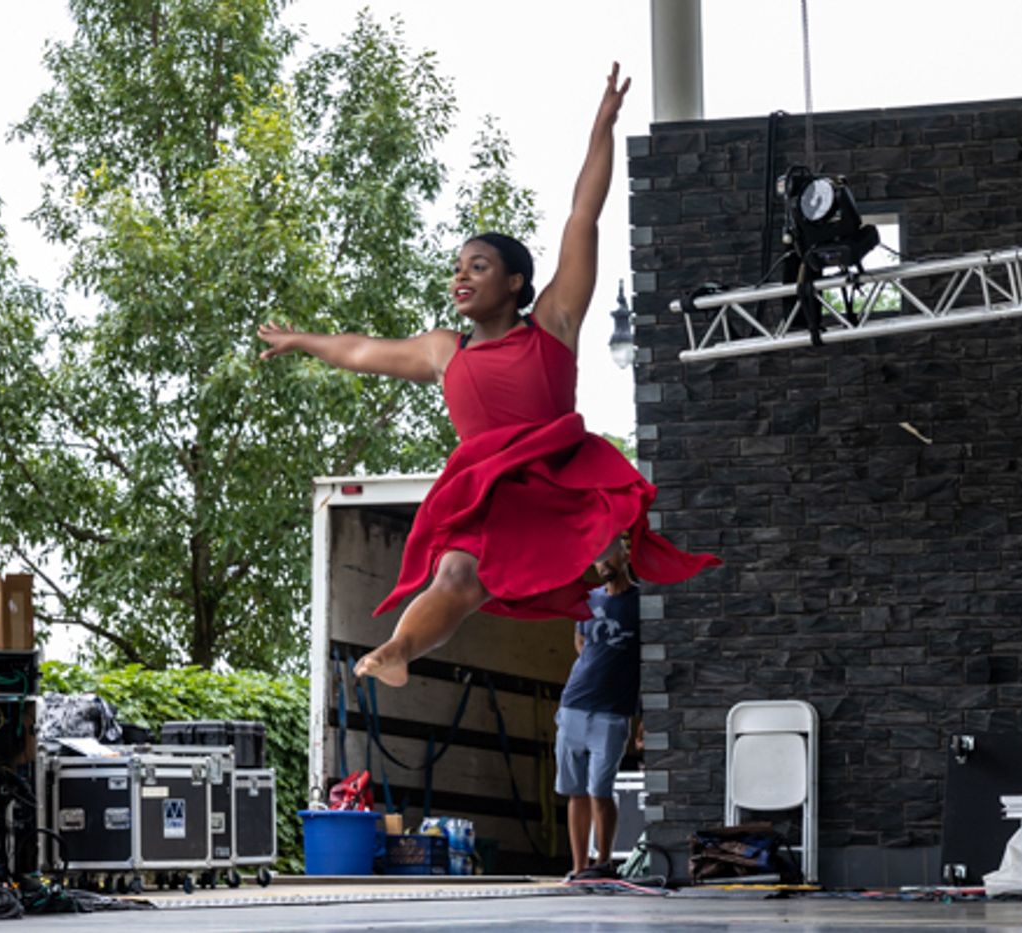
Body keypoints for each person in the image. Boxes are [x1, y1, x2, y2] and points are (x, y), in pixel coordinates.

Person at [258, 63, 719, 687]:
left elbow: (583, 215)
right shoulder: (445, 351)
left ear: (515, 282)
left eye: (478, 266)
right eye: (457, 269)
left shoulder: (552, 323)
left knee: (587, 527)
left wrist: (602, 127)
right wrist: (301, 341)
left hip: (553, 479)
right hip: (488, 491)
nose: (462, 277)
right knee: (453, 576)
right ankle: (396, 650)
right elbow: (362, 350)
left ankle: (607, 553)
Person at [555, 537, 640, 880]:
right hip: (574, 704)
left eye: (606, 556)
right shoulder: (587, 599)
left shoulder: (642, 602)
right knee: (574, 792)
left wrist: (645, 716)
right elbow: (580, 641)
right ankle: (579, 869)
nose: (601, 564)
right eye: (595, 559)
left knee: (600, 791)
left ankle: (602, 864)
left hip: (612, 712)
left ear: (625, 553)